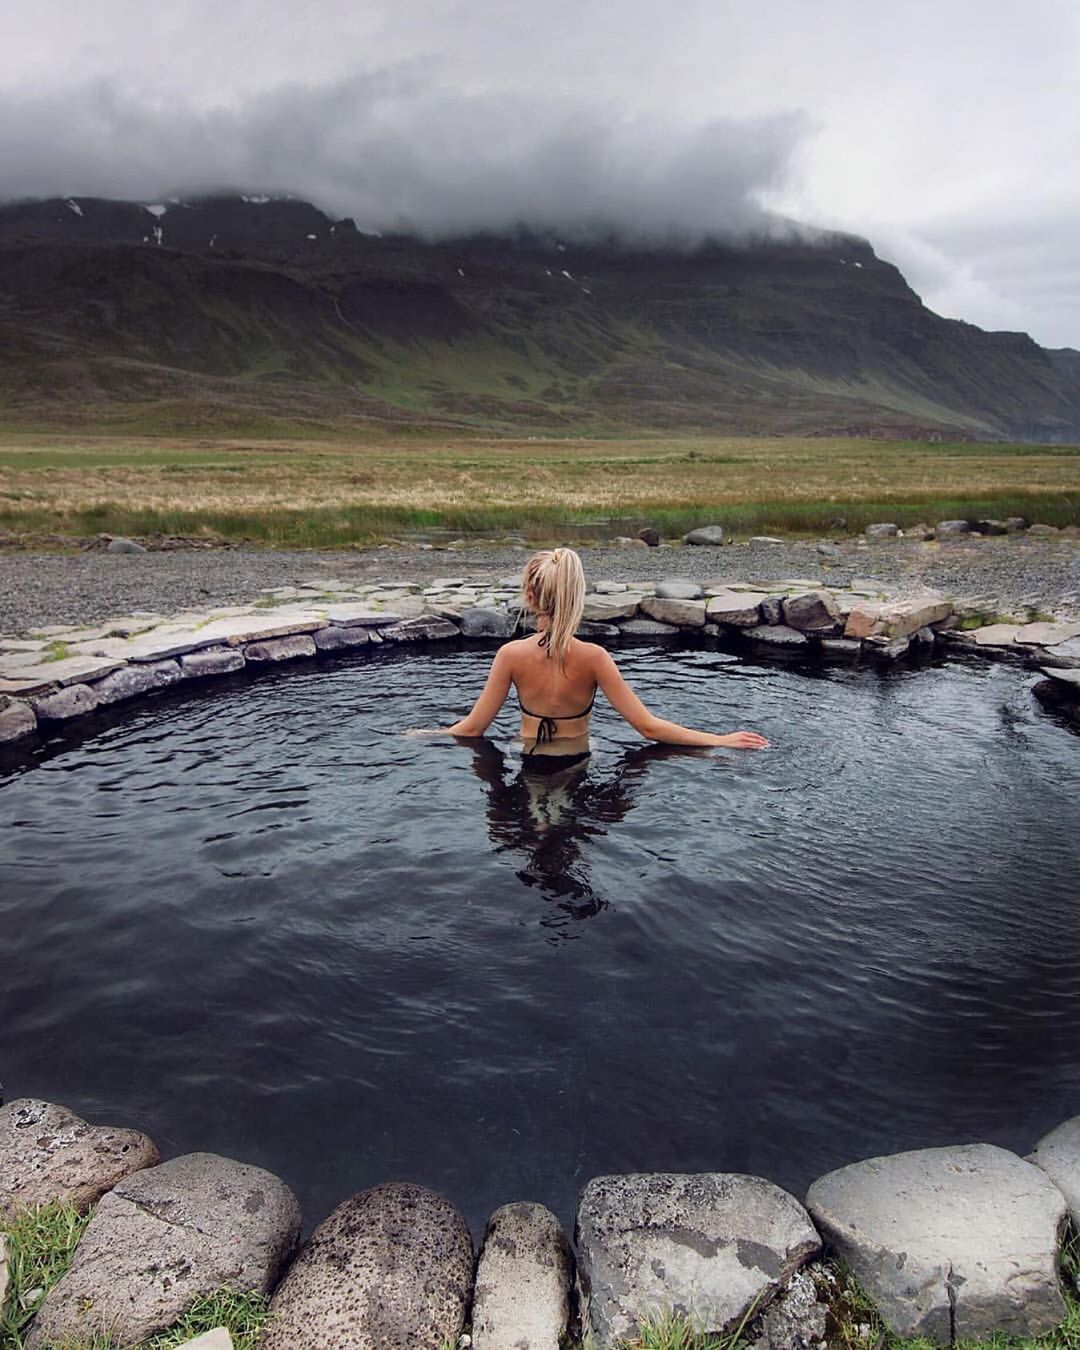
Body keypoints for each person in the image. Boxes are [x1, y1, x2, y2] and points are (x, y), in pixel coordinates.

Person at [437, 547, 769, 754]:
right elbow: (648, 728)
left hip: (527, 757)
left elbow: (472, 729)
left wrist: (415, 736)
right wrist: (719, 739)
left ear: (531, 596)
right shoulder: (595, 658)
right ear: (576, 598)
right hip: (577, 761)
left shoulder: (510, 655)